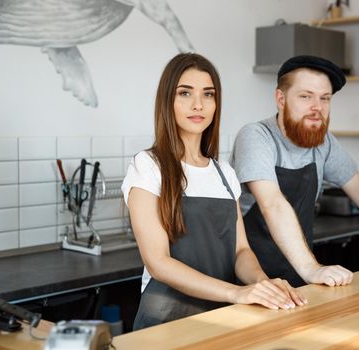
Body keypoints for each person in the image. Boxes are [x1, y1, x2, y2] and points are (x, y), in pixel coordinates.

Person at [121, 53, 306, 330]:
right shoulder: (148, 166)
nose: (198, 104)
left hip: (219, 317)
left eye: (208, 94)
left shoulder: (224, 173)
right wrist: (236, 292)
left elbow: (241, 250)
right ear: (167, 101)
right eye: (185, 93)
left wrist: (262, 283)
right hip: (165, 322)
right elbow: (158, 262)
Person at [230, 55, 359, 288]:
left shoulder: (323, 143)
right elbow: (273, 204)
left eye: (325, 98)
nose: (317, 108)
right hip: (251, 279)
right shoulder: (256, 136)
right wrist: (313, 269)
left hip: (298, 273)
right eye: (305, 96)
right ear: (280, 99)